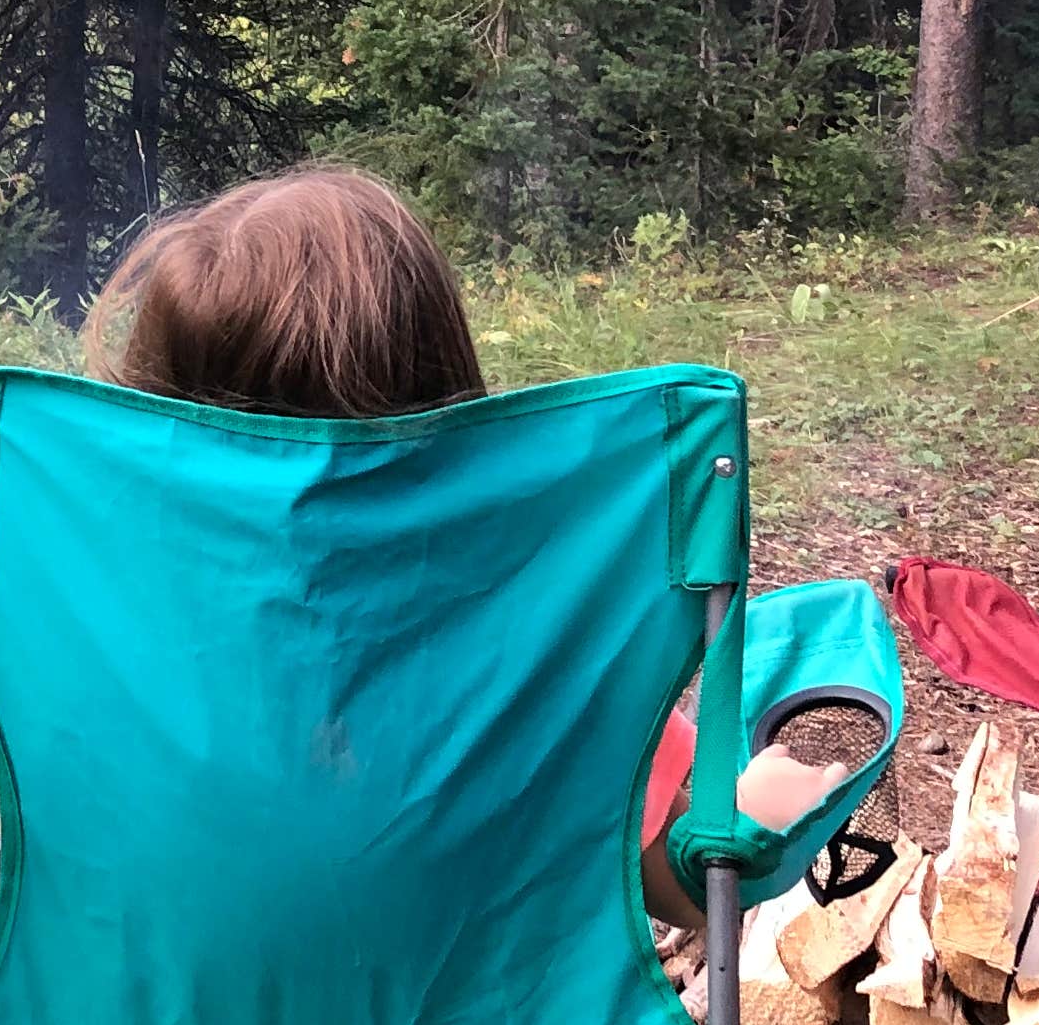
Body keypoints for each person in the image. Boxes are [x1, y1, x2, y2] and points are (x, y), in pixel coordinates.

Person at [82, 163, 847, 925]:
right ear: (446, 390)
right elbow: (686, 890)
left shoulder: (112, 634)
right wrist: (765, 801)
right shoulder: (538, 648)